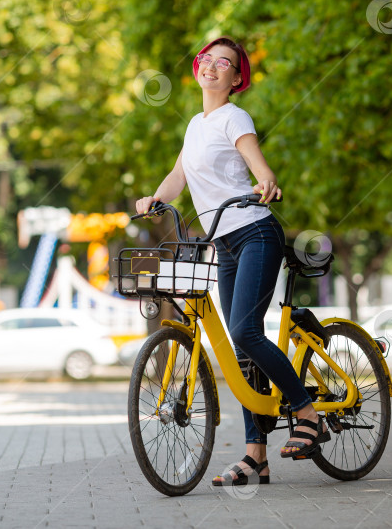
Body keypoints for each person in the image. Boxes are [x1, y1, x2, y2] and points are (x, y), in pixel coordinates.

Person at [134, 37, 330, 487]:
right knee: (242, 351)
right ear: (197, 68)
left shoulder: (233, 117)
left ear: (237, 78)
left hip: (256, 231)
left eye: (226, 63)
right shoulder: (194, 125)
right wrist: (155, 199)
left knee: (244, 330)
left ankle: (305, 411)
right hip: (222, 241)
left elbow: (257, 162)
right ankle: (254, 457)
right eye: (207, 59)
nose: (213, 67)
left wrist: (266, 180)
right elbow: (179, 175)